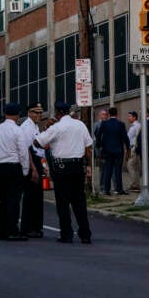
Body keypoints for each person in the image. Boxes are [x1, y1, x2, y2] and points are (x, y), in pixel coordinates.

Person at [34, 101, 94, 244]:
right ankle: (85, 234)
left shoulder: (56, 127)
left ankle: (66, 234)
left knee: (63, 202)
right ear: (68, 111)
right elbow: (88, 147)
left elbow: (38, 143)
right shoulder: (80, 125)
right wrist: (88, 166)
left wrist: (46, 127)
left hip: (61, 167)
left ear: (57, 113)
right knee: (79, 202)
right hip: (78, 166)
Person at [0, 103, 29, 241]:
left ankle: (0, 231)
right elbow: (23, 152)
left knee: (2, 201)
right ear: (17, 115)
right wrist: (25, 170)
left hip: (0, 168)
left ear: (5, 114)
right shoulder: (17, 130)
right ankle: (12, 230)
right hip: (14, 167)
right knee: (13, 200)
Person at [19, 102, 46, 238]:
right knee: (30, 197)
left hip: (37, 161)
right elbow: (27, 149)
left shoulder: (35, 126)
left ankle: (36, 227)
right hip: (31, 162)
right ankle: (27, 227)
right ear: (29, 113)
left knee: (37, 197)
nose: (39, 115)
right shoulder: (26, 127)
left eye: (40, 112)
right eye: (36, 112)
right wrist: (33, 169)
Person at [96, 107, 130, 195]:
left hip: (107, 150)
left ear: (109, 114)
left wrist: (99, 146)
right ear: (116, 114)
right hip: (118, 150)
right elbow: (125, 137)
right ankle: (119, 189)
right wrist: (128, 147)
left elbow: (99, 136)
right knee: (118, 170)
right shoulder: (121, 124)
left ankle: (106, 190)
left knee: (108, 170)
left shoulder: (104, 123)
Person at [126, 111, 142, 191]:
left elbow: (127, 138)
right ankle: (137, 184)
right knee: (136, 167)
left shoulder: (133, 127)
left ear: (134, 117)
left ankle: (134, 184)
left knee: (130, 166)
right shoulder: (139, 125)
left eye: (130, 116)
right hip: (138, 149)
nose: (128, 118)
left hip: (133, 149)